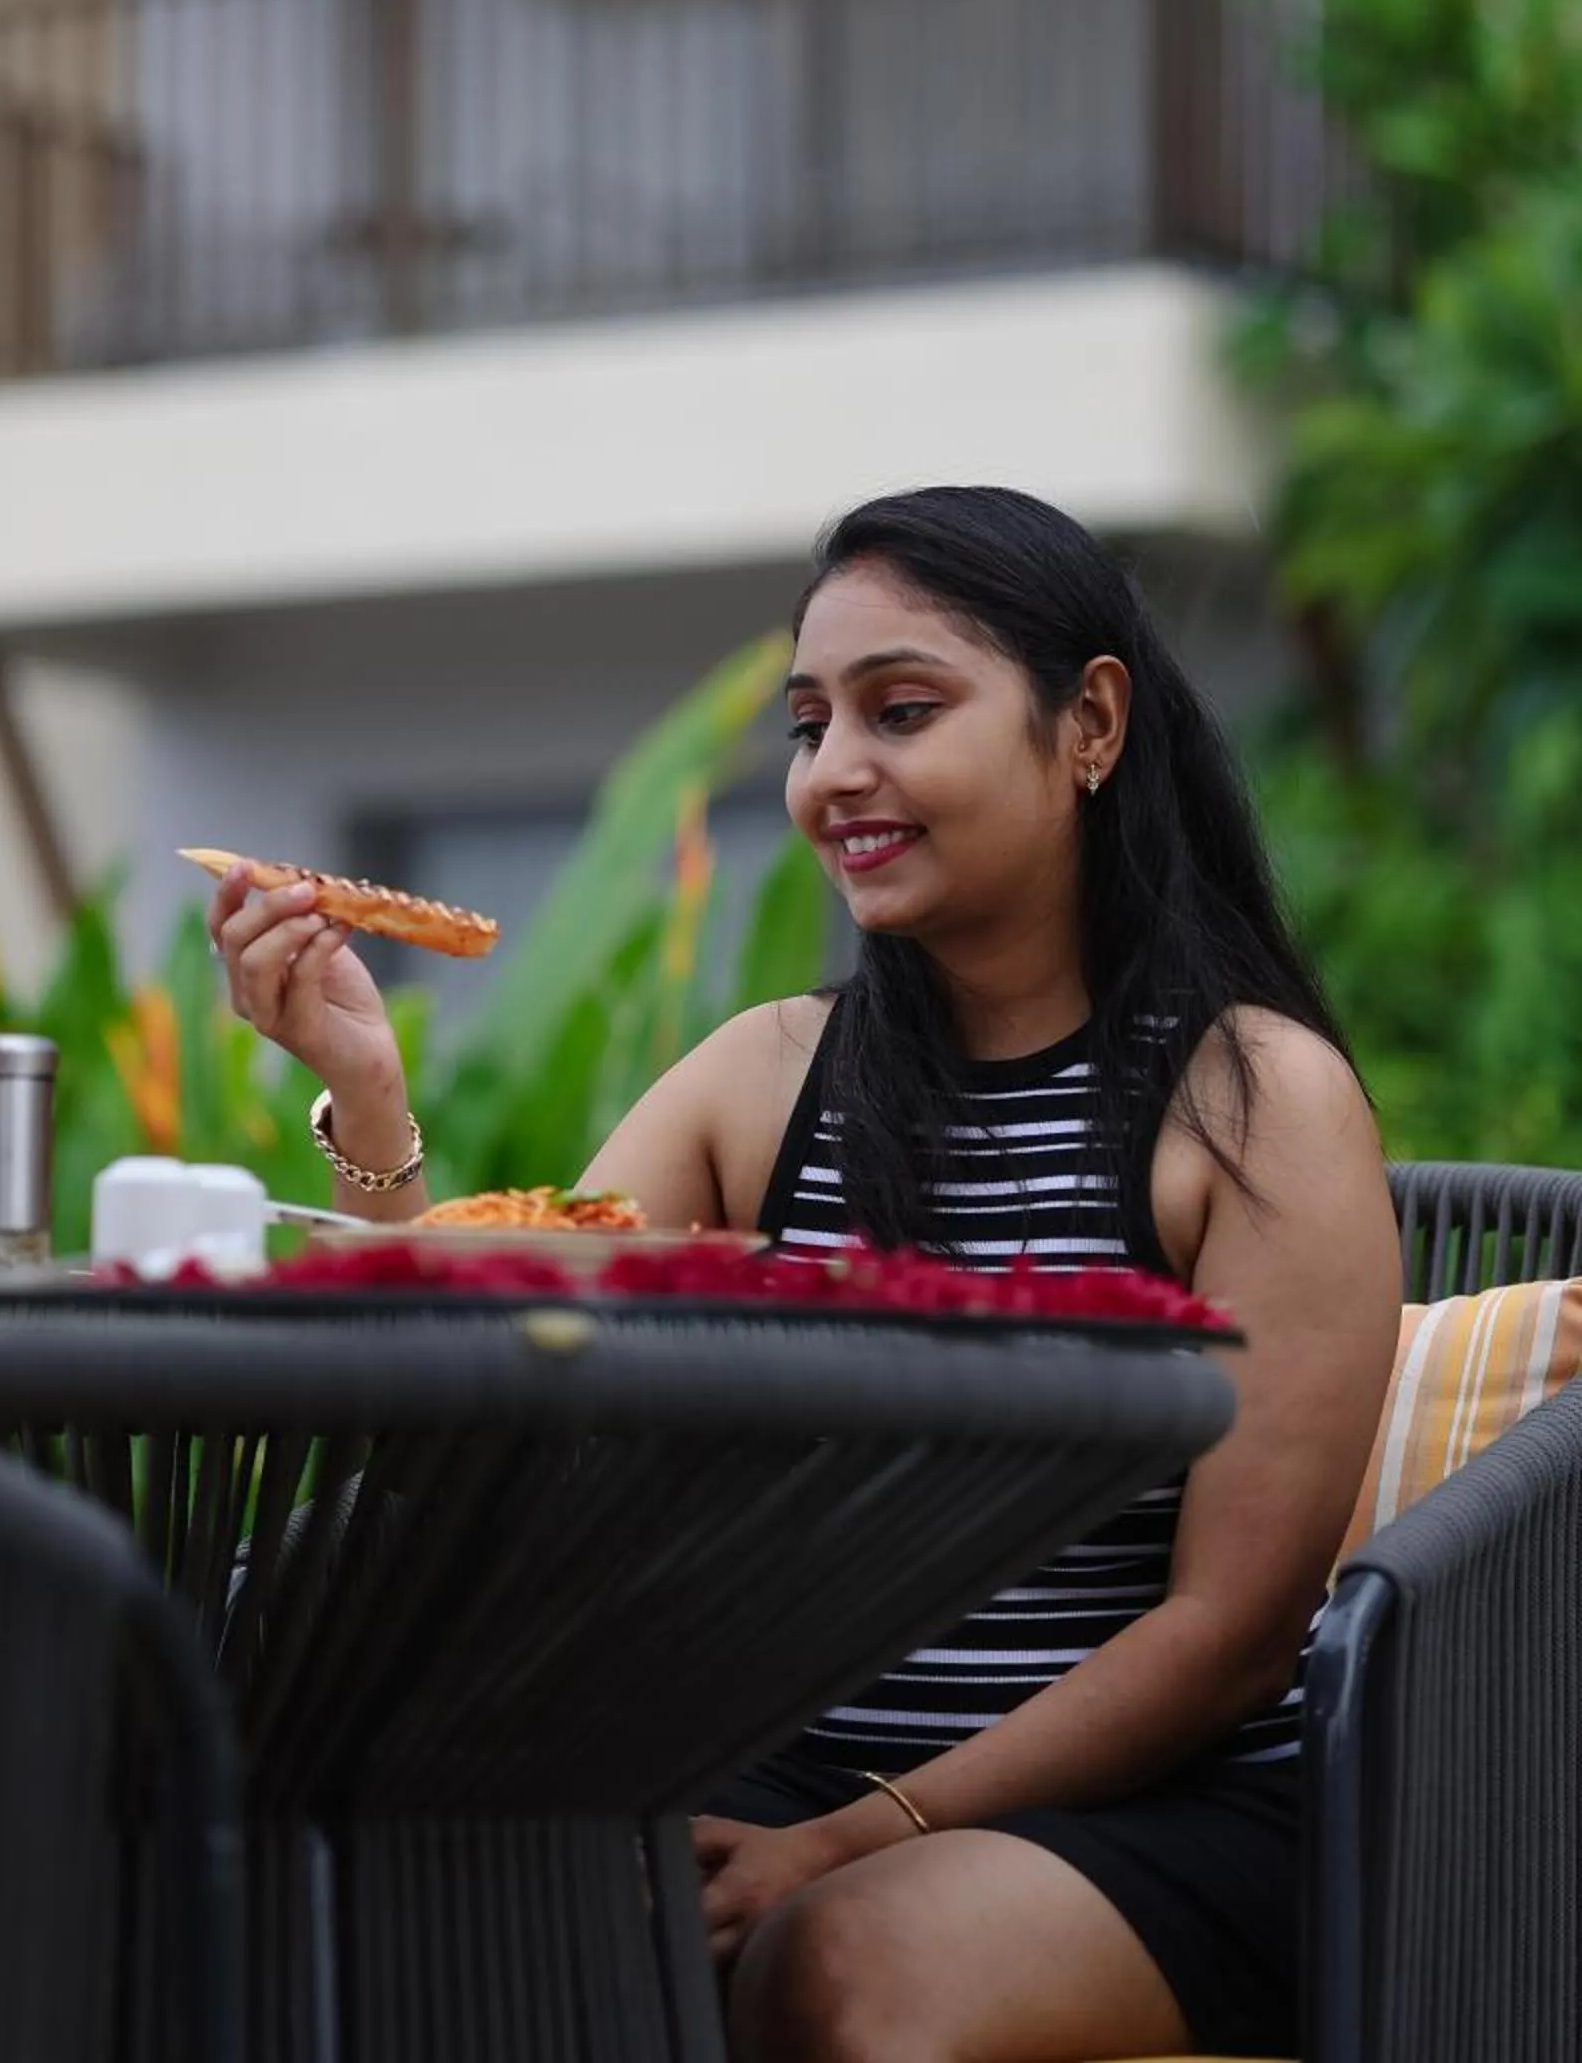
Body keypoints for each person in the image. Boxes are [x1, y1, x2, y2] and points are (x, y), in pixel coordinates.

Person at [212, 484, 1402, 2063]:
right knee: (390, 1893)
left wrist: (853, 1839)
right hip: (784, 1768)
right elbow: (476, 1375)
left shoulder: (1254, 1107)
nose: (835, 772)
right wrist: (366, 1095)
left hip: (1149, 1820)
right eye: (808, 724)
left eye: (902, 711)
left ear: (1091, 723)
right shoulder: (768, 1079)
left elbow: (1230, 1630)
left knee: (839, 1976)